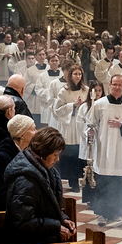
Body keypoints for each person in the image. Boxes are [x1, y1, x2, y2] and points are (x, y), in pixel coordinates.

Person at [3, 127, 76, 244]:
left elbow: (47, 206)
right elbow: (22, 222)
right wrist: (56, 227)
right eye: (55, 154)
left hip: (43, 240)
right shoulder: (26, 180)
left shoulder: (45, 169)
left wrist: (63, 219)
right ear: (44, 152)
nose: (57, 159)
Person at [86, 74, 122, 226]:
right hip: (103, 148)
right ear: (109, 85)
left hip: (121, 149)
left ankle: (117, 212)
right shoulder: (99, 104)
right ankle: (102, 213)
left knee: (119, 181)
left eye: (120, 85)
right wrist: (90, 131)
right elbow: (90, 123)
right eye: (114, 84)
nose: (117, 87)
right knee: (103, 181)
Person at [52, 64, 89, 192]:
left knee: (81, 152)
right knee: (71, 154)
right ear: (70, 76)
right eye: (75, 74)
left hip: (82, 124)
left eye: (79, 74)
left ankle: (83, 178)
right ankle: (73, 181)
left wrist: (84, 106)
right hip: (70, 125)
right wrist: (73, 106)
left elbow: (91, 105)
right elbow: (57, 109)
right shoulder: (64, 91)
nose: (77, 76)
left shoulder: (86, 90)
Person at [0, 114, 36, 210]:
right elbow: (3, 191)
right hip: (11, 208)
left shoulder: (31, 152)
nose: (36, 132)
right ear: (22, 135)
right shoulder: (3, 156)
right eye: (33, 129)